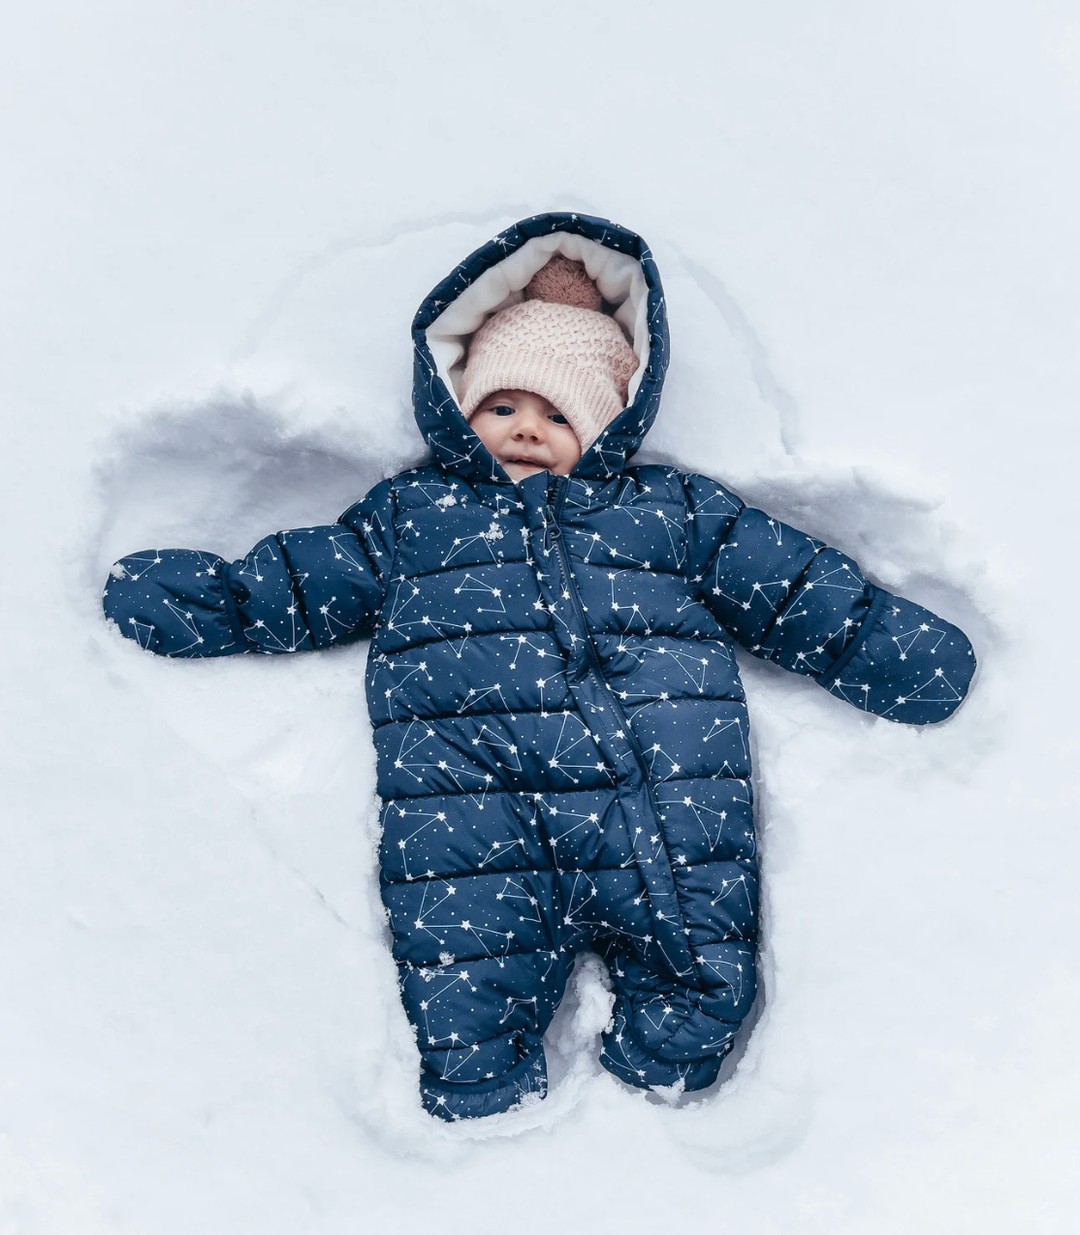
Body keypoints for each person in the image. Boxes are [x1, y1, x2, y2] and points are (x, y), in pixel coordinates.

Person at [102, 212, 976, 1121]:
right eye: (502, 405)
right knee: (467, 990)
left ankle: (661, 1098)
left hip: (659, 805)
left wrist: (886, 649)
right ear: (458, 406)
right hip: (475, 818)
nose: (525, 428)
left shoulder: (667, 511)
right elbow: (302, 581)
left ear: (605, 423)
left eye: (558, 412)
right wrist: (210, 601)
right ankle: (483, 1122)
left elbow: (790, 588)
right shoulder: (414, 518)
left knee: (697, 969)